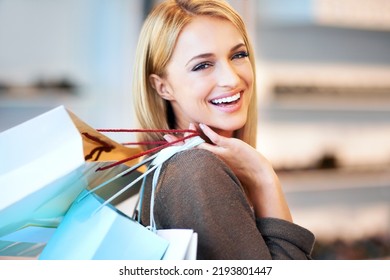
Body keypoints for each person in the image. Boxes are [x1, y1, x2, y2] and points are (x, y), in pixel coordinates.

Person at [132, 0, 315, 259]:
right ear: (163, 87)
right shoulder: (196, 171)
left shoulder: (184, 167)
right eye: (202, 65)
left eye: (238, 55)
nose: (231, 79)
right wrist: (264, 179)